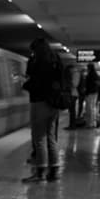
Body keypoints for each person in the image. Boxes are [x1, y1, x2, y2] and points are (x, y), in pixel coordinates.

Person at [21, 38, 62, 182]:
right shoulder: (56, 59)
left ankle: (40, 173)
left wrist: (25, 84)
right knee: (51, 136)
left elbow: (32, 79)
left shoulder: (37, 61)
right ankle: (54, 171)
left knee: (39, 138)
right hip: (54, 103)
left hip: (39, 102)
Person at [84, 63, 100, 128]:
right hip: (95, 93)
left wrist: (86, 92)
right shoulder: (96, 75)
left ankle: (90, 123)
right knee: (93, 108)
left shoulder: (90, 75)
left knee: (89, 108)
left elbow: (88, 85)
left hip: (90, 93)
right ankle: (93, 123)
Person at [64, 65, 78, 129]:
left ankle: (72, 125)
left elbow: (74, 84)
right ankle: (72, 125)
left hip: (73, 94)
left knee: (72, 111)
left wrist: (68, 83)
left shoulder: (75, 74)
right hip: (72, 94)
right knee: (71, 111)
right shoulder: (74, 74)